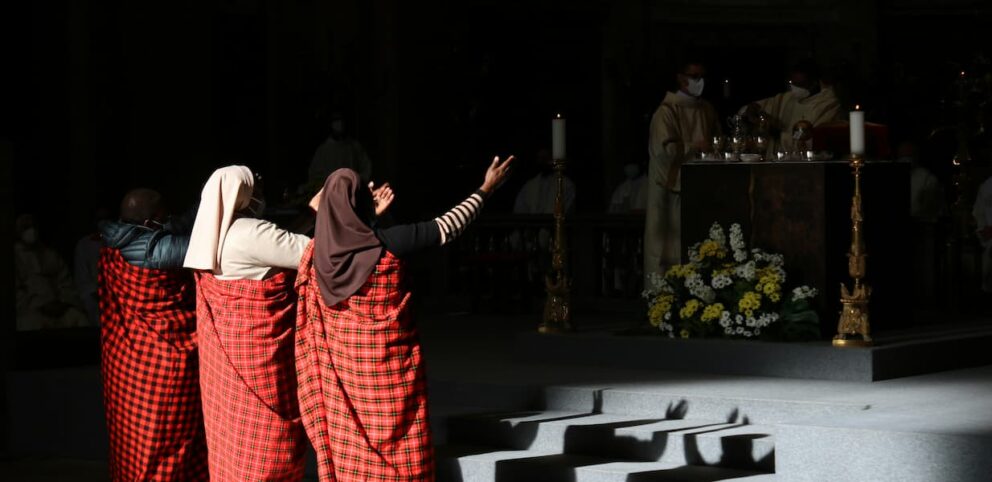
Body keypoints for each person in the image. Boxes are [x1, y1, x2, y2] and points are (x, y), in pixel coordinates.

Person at [295, 155, 513, 481]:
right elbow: (447, 227)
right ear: (358, 205)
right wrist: (485, 189)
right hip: (391, 386)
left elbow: (343, 236)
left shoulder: (315, 260)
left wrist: (351, 215)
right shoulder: (389, 242)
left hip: (349, 389)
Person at [183, 166, 312, 480]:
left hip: (225, 368)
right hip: (261, 368)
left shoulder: (209, 233)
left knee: (232, 436)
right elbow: (311, 252)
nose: (260, 196)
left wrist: (311, 213)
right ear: (244, 195)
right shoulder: (253, 233)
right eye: (256, 189)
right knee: (267, 441)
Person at [98, 188, 207, 481]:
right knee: (165, 446)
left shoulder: (113, 238)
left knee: (133, 444)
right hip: (162, 367)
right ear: (150, 222)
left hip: (126, 365)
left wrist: (210, 197)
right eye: (163, 217)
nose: (169, 220)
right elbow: (205, 248)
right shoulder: (154, 250)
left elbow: (180, 225)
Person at [644, 60, 722, 288]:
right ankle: (664, 301)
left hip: (700, 189)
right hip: (670, 188)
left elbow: (717, 139)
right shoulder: (666, 111)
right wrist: (694, 147)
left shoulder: (707, 109)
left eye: (703, 76)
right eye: (695, 76)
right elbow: (663, 151)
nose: (700, 82)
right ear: (681, 78)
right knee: (666, 247)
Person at [741, 59, 841, 154]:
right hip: (776, 164)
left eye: (800, 85)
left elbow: (815, 141)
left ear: (814, 83)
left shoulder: (828, 105)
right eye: (793, 84)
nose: (794, 89)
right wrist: (752, 109)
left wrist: (778, 132)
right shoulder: (787, 98)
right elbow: (752, 108)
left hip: (807, 166)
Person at [14, 214, 89, 330]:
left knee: (80, 319)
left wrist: (63, 302)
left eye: (33, 226)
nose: (31, 230)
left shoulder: (50, 255)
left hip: (59, 306)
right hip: (31, 310)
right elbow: (17, 293)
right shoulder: (15, 257)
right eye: (26, 227)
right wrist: (40, 304)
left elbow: (66, 282)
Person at [308, 111, 373, 186]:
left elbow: (366, 168)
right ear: (331, 124)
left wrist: (357, 182)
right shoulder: (323, 150)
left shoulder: (354, 147)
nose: (340, 124)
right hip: (331, 193)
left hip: (352, 191)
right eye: (336, 120)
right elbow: (314, 175)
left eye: (341, 120)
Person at [75, 207, 111, 325]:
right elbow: (82, 276)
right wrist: (96, 292)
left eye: (105, 218)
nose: (103, 222)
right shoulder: (84, 245)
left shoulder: (116, 243)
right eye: (100, 219)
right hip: (92, 295)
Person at [513, 148, 576, 214]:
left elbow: (568, 208)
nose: (543, 162)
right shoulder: (529, 186)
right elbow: (520, 210)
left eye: (545, 158)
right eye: (540, 158)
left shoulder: (566, 184)